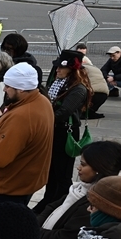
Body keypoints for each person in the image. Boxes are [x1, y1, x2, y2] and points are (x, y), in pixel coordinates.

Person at [34, 141, 121, 239]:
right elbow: (53, 206)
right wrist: (35, 226)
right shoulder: (81, 188)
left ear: (99, 168)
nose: (78, 168)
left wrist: (32, 234)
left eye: (83, 164)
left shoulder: (98, 202)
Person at [0, 63, 54, 210]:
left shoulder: (22, 116)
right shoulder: (42, 101)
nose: (4, 89)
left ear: (21, 89)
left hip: (7, 189)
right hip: (24, 183)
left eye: (8, 86)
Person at [35, 50, 92, 213]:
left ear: (71, 69)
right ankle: (48, 200)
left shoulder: (78, 89)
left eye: (61, 67)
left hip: (65, 133)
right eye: (57, 67)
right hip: (53, 131)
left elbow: (63, 113)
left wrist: (42, 118)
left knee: (62, 173)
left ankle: (61, 205)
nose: (57, 70)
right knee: (51, 171)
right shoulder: (58, 83)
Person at [74, 43, 110, 118]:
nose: (82, 55)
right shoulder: (91, 65)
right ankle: (90, 112)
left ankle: (85, 112)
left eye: (84, 53)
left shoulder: (82, 64)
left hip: (92, 91)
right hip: (104, 92)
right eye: (80, 53)